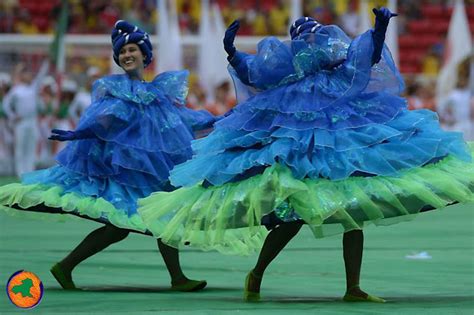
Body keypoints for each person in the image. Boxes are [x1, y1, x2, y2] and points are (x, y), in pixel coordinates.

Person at [137, 7, 474, 303]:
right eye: (306, 41)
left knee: (353, 218)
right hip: (302, 166)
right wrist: (233, 55)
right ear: (296, 48)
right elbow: (256, 74)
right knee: (292, 219)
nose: (314, 45)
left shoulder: (339, 75)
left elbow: (365, 58)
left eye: (317, 38)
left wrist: (380, 31)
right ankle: (257, 273)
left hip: (339, 160)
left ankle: (352, 286)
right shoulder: (288, 83)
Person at [0, 20, 217, 291]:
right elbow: (105, 121)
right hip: (125, 174)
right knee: (141, 221)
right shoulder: (115, 89)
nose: (127, 55)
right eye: (122, 51)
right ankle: (174, 278)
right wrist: (79, 134)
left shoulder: (158, 92)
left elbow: (184, 118)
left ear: (145, 54)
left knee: (147, 219)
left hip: (149, 171)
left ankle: (67, 266)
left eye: (132, 49)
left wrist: (222, 120)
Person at [3, 61, 49, 176]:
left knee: (31, 147)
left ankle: (29, 171)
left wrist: (47, 63)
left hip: (32, 121)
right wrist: (13, 116)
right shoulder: (16, 90)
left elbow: (41, 76)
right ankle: (20, 173)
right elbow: (5, 104)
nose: (29, 76)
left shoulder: (33, 88)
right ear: (22, 76)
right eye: (26, 74)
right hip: (21, 122)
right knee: (20, 148)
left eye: (29, 74)